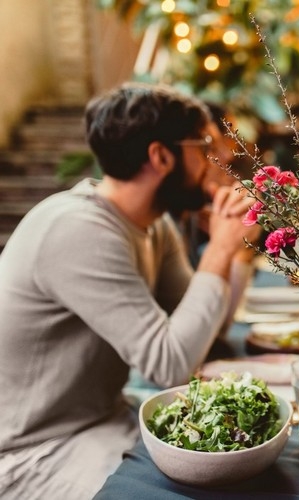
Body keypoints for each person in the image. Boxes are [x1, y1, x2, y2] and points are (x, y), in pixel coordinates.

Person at [0, 82, 258, 498]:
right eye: (205, 143)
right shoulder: (78, 230)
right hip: (34, 451)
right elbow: (170, 365)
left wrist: (235, 251)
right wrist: (221, 247)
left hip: (106, 419)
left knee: (241, 451)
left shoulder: (154, 225)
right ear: (160, 156)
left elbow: (205, 334)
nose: (224, 156)